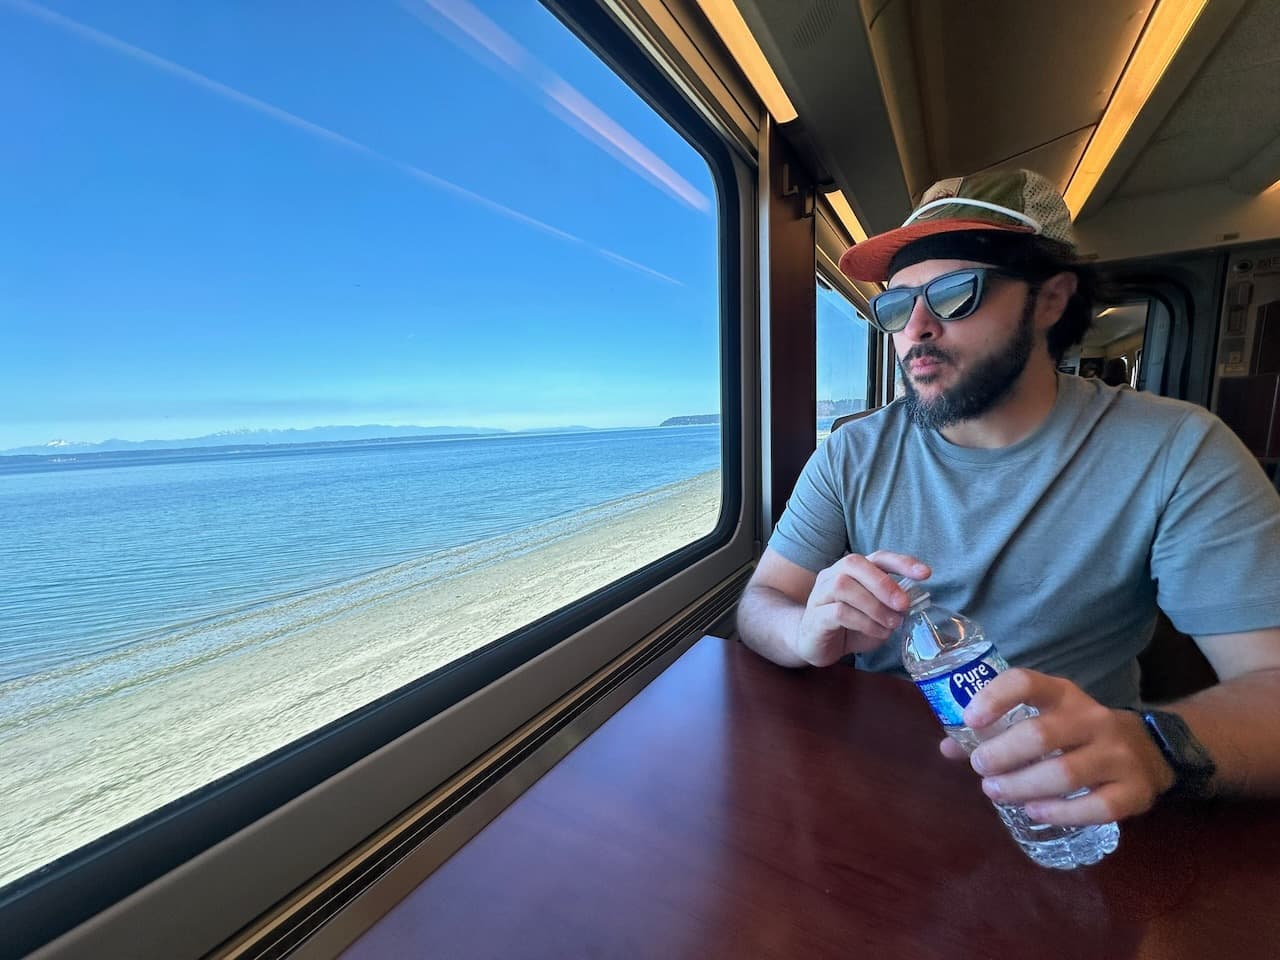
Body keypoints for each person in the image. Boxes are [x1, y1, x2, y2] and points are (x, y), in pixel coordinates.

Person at [736, 168, 1280, 827]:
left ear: (1050, 299)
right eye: (896, 306)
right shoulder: (852, 452)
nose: (917, 328)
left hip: (1068, 796)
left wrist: (1150, 745)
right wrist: (802, 632)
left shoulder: (1177, 450)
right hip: (874, 774)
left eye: (954, 294)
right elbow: (762, 602)